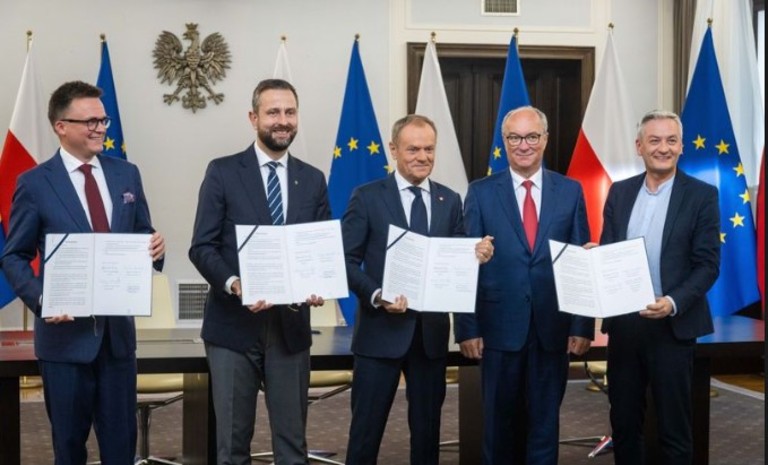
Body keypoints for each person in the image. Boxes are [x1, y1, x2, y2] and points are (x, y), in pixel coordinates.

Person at [0, 80, 166, 465]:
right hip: (64, 341)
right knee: (69, 448)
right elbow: (14, 255)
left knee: (121, 448)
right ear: (61, 126)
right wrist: (42, 300)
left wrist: (155, 247)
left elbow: (141, 232)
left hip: (117, 341)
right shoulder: (35, 183)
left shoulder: (127, 174)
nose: (100, 128)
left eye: (103, 121)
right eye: (90, 121)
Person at [188, 78, 329, 465]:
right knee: (232, 447)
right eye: (273, 112)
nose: (283, 121)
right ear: (253, 118)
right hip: (233, 329)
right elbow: (202, 247)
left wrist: (318, 282)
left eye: (290, 112)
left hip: (290, 329)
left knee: (293, 447)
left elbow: (319, 248)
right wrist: (236, 284)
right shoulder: (222, 172)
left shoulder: (313, 179)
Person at [342, 114, 494, 465]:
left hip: (429, 338)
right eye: (413, 149)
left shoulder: (449, 200)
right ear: (394, 150)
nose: (422, 157)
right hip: (379, 335)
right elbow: (345, 261)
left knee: (427, 437)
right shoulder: (367, 197)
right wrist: (377, 295)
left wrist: (476, 254)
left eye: (429, 149)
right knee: (365, 435)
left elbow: (456, 258)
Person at [454, 106, 593, 465]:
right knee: (498, 429)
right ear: (504, 141)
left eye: (532, 136)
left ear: (545, 139)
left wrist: (582, 325)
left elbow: (580, 262)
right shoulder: (480, 192)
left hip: (553, 329)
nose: (524, 145)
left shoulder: (570, 191)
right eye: (515, 137)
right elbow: (466, 263)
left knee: (545, 427)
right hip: (497, 331)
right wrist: (467, 328)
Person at [599, 110, 720, 465]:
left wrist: (671, 301)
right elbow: (609, 251)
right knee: (624, 425)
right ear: (639, 147)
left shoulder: (702, 195)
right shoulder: (619, 192)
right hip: (625, 327)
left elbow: (708, 264)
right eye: (654, 140)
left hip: (673, 327)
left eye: (671, 140)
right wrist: (596, 258)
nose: (663, 148)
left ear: (682, 146)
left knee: (674, 431)